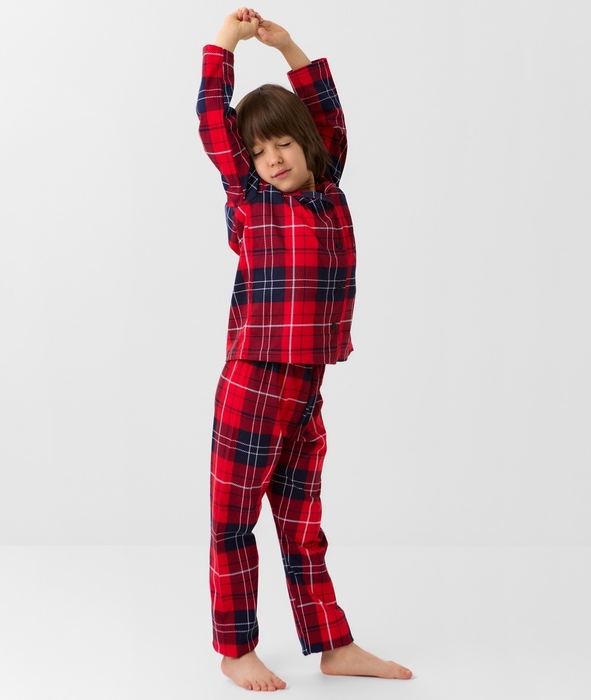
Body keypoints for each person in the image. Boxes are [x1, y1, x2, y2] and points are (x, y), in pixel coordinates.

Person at [197, 7, 413, 691]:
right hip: (253, 381)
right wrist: (227, 43)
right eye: (260, 152)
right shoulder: (250, 199)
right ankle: (236, 649)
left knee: (302, 524)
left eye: (285, 143)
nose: (274, 159)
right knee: (234, 522)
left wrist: (286, 46)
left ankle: (332, 644)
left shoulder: (328, 189)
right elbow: (213, 123)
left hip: (306, 388)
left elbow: (327, 114)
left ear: (308, 145)